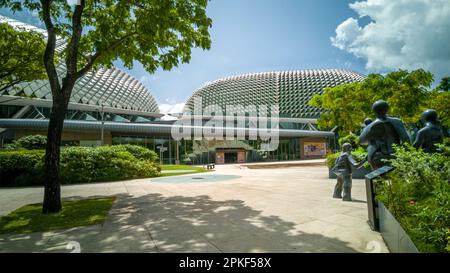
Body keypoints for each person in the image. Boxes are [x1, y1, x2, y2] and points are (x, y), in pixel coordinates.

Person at [359, 100, 410, 170]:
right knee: (396, 178)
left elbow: (361, 141)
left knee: (379, 178)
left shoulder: (371, 126)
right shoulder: (397, 121)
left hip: (378, 157)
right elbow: (406, 139)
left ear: (374, 111)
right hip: (395, 155)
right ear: (387, 109)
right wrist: (405, 156)